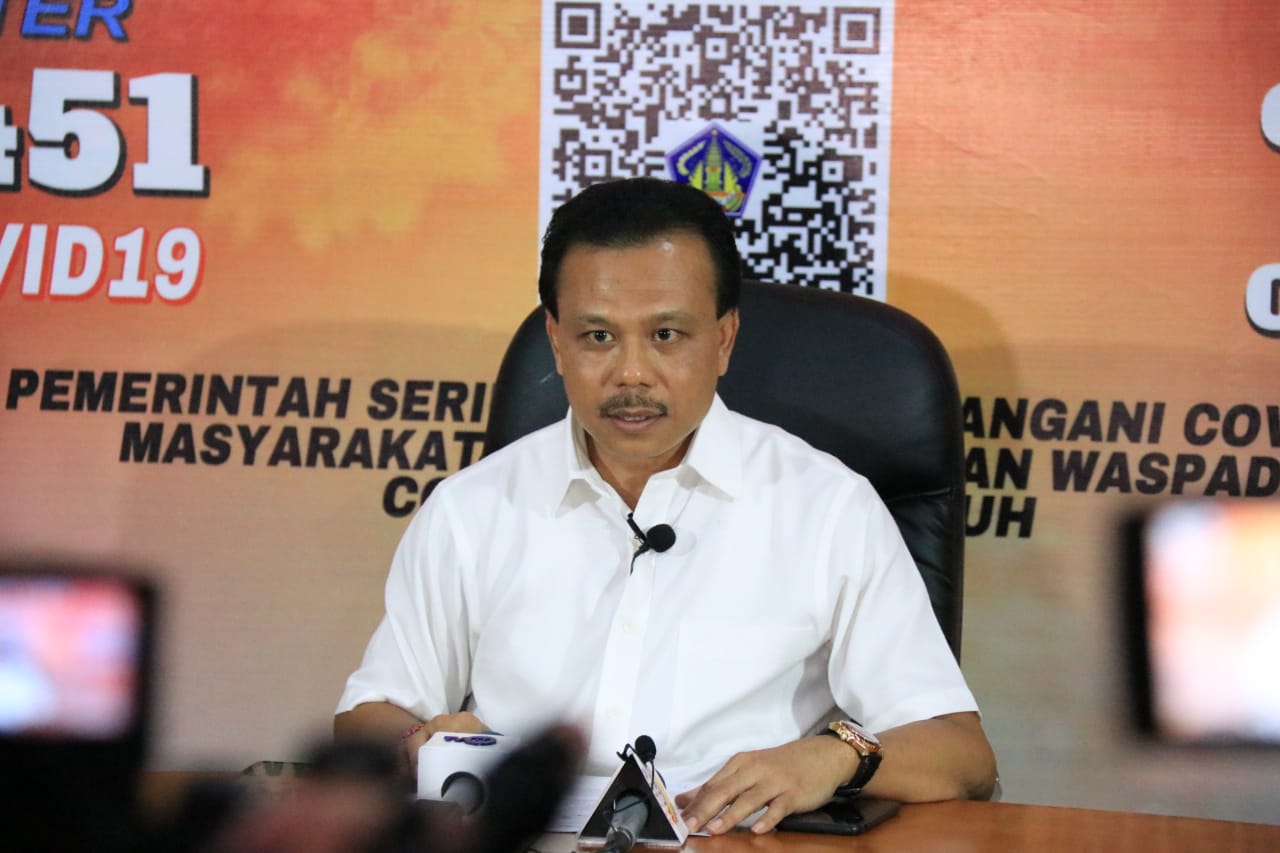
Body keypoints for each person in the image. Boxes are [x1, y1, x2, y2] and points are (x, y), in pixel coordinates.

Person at [334, 177, 998, 834]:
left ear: (725, 339)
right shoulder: (470, 509)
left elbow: (960, 753)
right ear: (556, 340)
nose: (631, 373)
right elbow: (370, 713)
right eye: (598, 336)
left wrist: (833, 756)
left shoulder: (827, 509)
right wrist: (417, 740)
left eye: (667, 335)